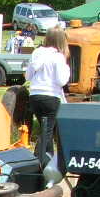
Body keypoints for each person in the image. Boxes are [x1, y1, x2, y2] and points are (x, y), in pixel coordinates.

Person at [25, 26, 71, 167]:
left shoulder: (37, 52)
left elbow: (28, 76)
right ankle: (36, 162)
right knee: (47, 132)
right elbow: (61, 81)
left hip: (34, 96)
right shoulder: (58, 57)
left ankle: (48, 162)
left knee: (45, 129)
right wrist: (67, 69)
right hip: (51, 96)